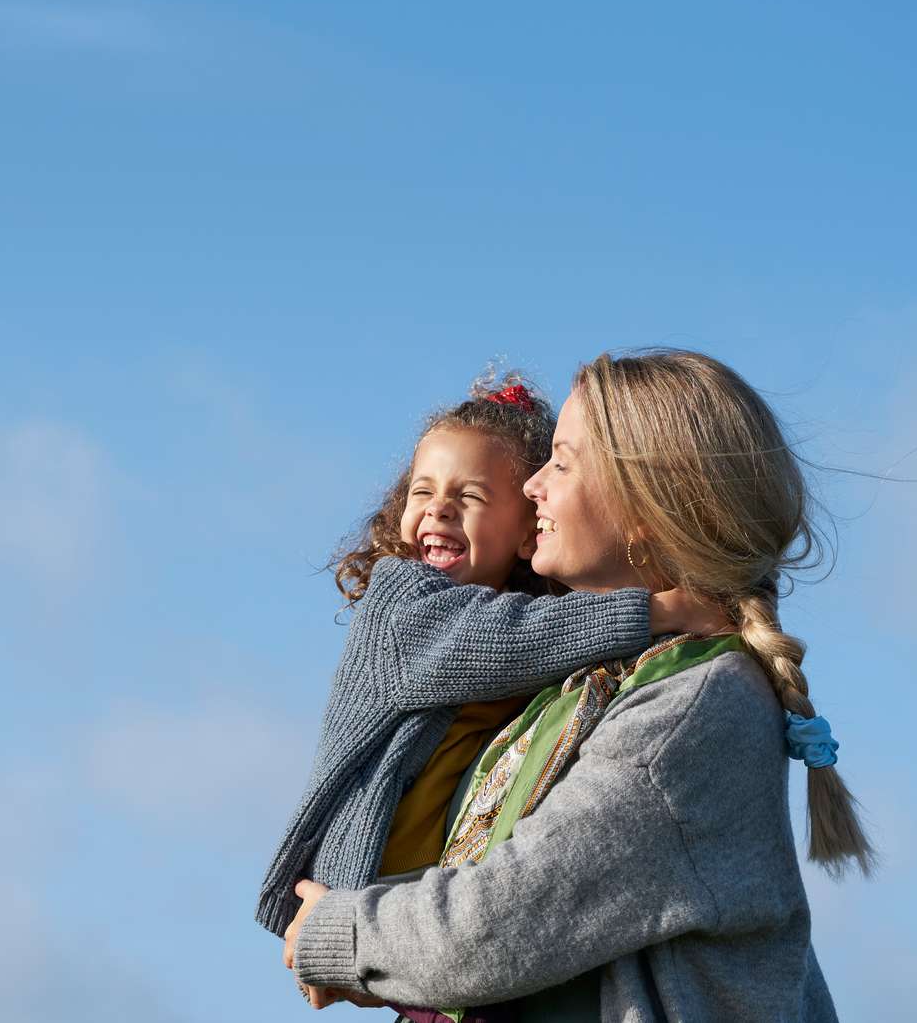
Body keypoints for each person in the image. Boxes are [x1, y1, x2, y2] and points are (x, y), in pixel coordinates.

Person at [285, 349, 873, 1021]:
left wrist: (342, 931)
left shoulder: (695, 705)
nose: (533, 484)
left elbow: (497, 923)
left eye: (561, 462)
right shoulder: (582, 690)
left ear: (647, 508)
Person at [257, 370, 721, 955]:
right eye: (421, 492)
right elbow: (508, 640)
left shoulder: (541, 618)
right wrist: (660, 612)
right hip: (366, 873)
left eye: (469, 496)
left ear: (530, 531)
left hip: (447, 892)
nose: (439, 510)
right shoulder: (400, 605)